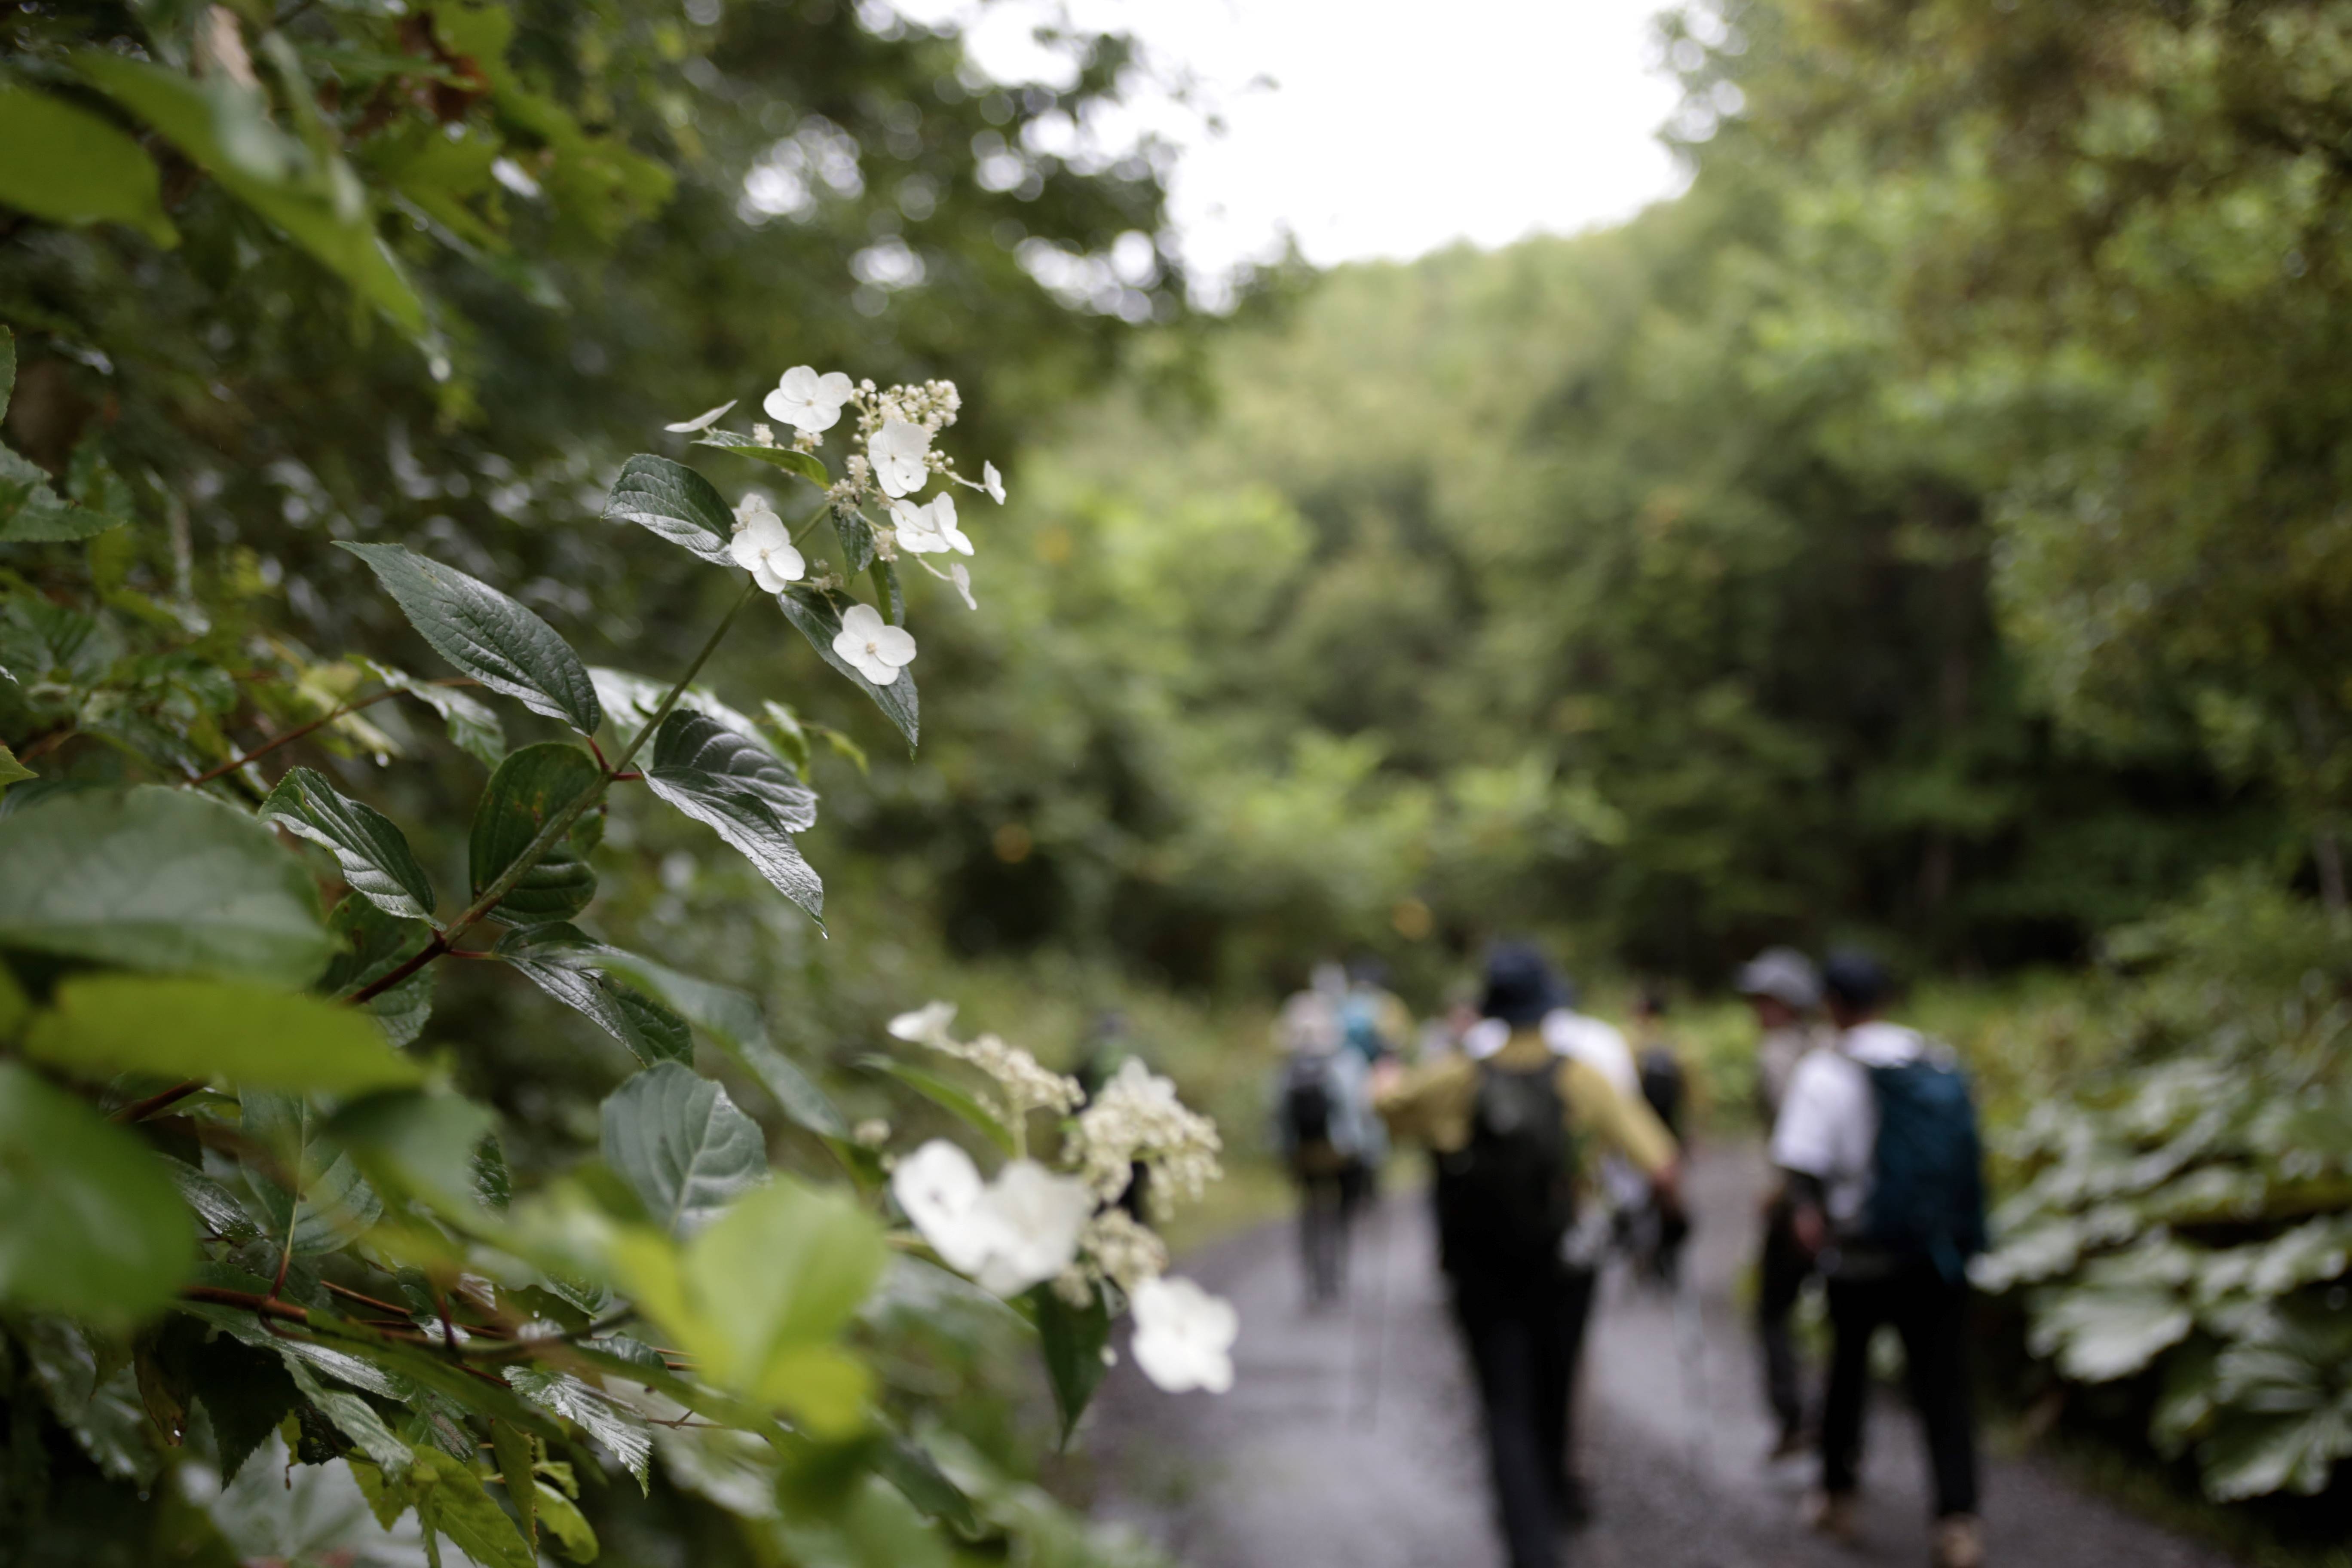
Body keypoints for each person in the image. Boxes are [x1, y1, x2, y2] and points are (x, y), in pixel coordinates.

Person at [1375, 944, 1680, 1568]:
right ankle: (1555, 1505)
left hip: (1480, 1270)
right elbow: (1660, 1163)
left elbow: (1388, 1111)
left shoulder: (1456, 1076)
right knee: (1555, 1390)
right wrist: (1671, 1221)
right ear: (1549, 1007)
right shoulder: (1580, 1078)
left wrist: (1380, 1076)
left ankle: (1528, 1546)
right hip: (1565, 1267)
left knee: (1503, 1405)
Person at [1773, 950, 1988, 1568]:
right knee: (1945, 1385)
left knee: (1847, 1373)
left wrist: (1808, 1218)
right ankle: (1957, 1520)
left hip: (1862, 1252)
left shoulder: (1826, 1069)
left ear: (1832, 1005)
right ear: (1885, 1000)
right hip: (1936, 1250)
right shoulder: (1933, 1056)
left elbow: (1801, 1162)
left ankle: (1839, 1497)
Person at [1734, 945, 1832, 1458]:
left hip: (1794, 1204)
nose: (1755, 1008)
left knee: (1773, 1312)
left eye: (1764, 998)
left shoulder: (1777, 1054)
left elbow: (1792, 1137)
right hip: (1837, 1202)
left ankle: (1793, 1415)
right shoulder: (1831, 1045)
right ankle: (1828, 1424)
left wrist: (1791, 1199)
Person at [1273, 976, 1382, 1307]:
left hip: (1302, 1154)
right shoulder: (1348, 1062)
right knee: (1341, 1216)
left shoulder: (1286, 1068)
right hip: (1343, 1152)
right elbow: (1364, 1110)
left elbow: (1275, 1116)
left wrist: (1282, 1152)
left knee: (1309, 1213)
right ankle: (1335, 1276)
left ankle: (1311, 1279)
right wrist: (1370, 1151)